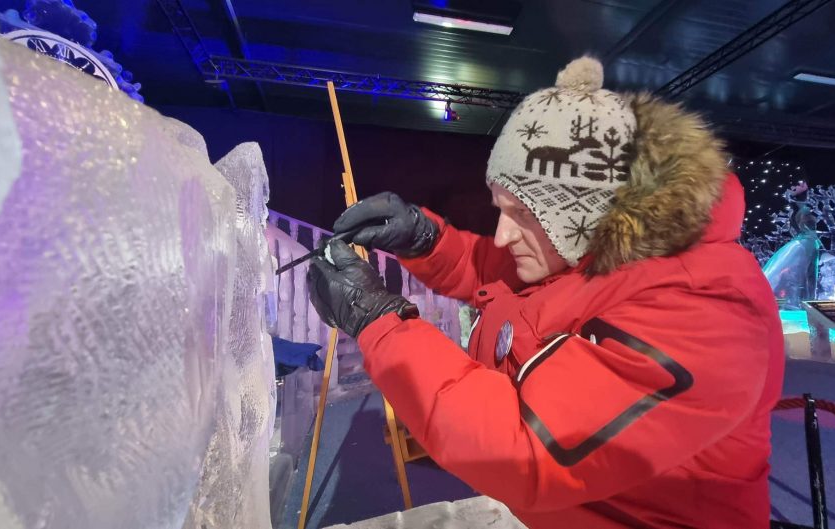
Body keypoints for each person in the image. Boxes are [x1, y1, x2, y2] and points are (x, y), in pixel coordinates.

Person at [307, 57, 785, 529]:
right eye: (501, 210)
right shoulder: (584, 254)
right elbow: (495, 274)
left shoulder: (705, 307)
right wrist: (426, 239)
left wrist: (379, 322)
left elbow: (526, 451)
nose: (501, 237)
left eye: (522, 213)